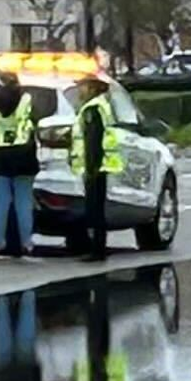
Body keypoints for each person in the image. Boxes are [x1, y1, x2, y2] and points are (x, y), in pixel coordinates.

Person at [0, 76, 42, 258]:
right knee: (23, 200)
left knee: (1, 200)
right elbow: (35, 122)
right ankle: (26, 242)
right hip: (24, 155)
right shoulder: (27, 100)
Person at [69, 68, 125, 258]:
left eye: (82, 87)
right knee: (95, 208)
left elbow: (93, 140)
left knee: (94, 210)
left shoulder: (93, 109)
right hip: (99, 166)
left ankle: (96, 249)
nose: (79, 91)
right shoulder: (100, 105)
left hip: (95, 167)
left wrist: (91, 168)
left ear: (92, 88)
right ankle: (96, 247)